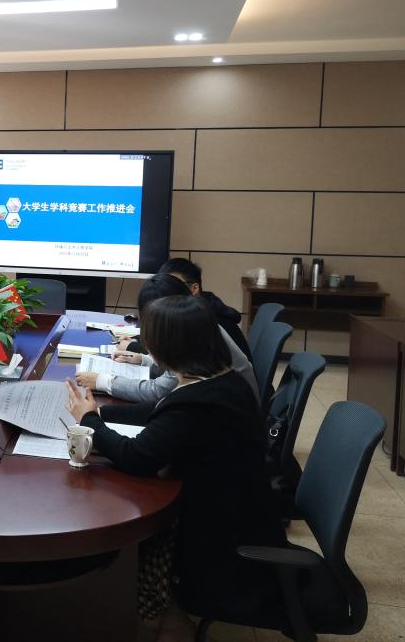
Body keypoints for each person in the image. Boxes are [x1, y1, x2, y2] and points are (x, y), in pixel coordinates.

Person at [66, 295, 285, 640]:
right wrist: (100, 413)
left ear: (167, 348)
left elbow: (137, 457)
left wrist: (90, 423)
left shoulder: (197, 404)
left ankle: (165, 622)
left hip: (220, 540)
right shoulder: (219, 380)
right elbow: (160, 413)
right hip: (239, 514)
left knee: (116, 515)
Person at [76, 273, 257, 404]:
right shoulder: (196, 323)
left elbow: (157, 391)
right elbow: (173, 373)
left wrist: (103, 381)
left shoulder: (192, 333)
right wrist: (144, 360)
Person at [159, 257, 251, 359]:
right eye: (164, 285)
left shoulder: (210, 321)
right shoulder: (198, 309)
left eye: (174, 285)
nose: (166, 291)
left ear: (194, 288)